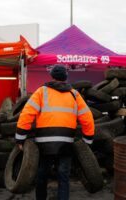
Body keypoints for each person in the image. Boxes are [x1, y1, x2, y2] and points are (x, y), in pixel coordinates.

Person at [15, 64, 95, 200]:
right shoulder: (74, 94)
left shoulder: (41, 92)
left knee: (42, 175)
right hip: (66, 143)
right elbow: (87, 118)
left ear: (52, 76)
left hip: (44, 144)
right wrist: (87, 140)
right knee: (63, 176)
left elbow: (26, 114)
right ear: (65, 77)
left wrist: (20, 138)